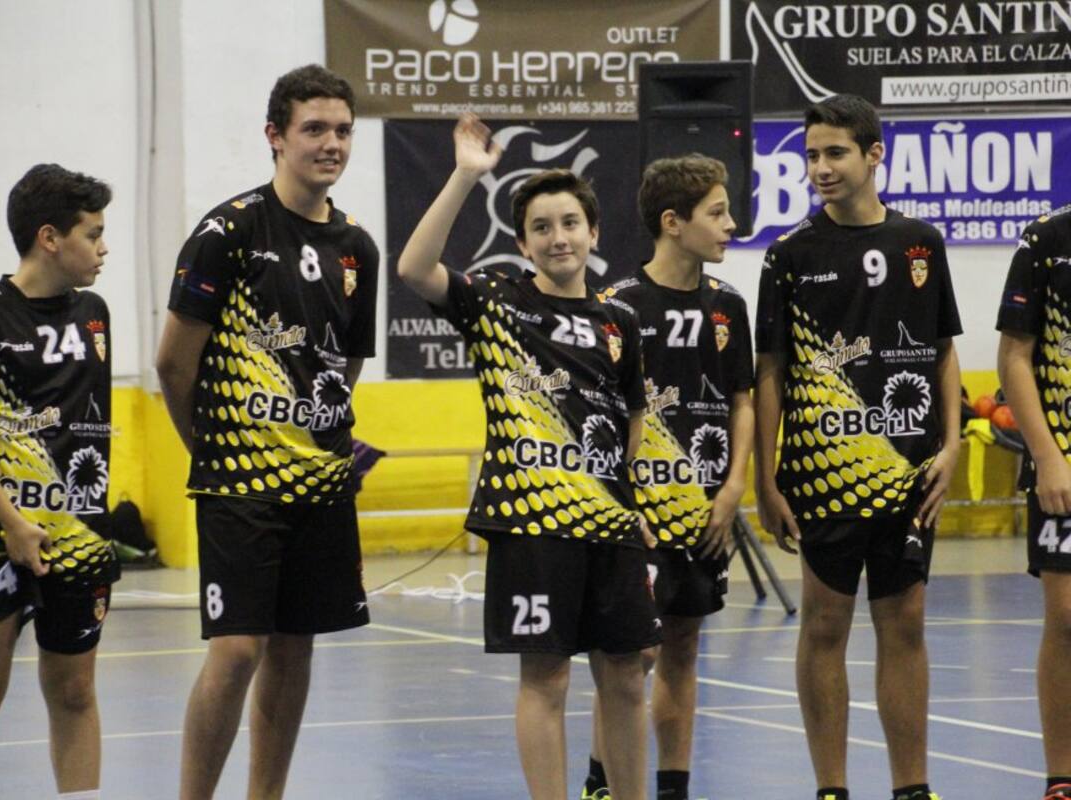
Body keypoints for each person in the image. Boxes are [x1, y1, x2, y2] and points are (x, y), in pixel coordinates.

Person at [397, 113, 659, 800]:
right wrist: (466, 174)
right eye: (541, 227)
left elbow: (632, 419)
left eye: (570, 223)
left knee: (627, 672)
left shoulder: (621, 322)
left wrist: (623, 499)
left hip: (609, 524)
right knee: (547, 678)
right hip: (533, 523)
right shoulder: (497, 302)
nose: (558, 237)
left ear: (594, 233)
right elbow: (414, 268)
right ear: (523, 243)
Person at [155, 64, 379, 800]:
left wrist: (313, 436)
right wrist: (213, 451)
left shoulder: (358, 247)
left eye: (342, 130)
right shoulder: (229, 232)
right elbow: (173, 363)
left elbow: (346, 363)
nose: (331, 143)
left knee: (294, 648)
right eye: (314, 129)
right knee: (236, 651)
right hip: (238, 483)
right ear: (275, 136)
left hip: (319, 478)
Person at [753, 94, 961, 800]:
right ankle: (832, 789)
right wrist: (767, 478)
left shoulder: (920, 242)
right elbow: (770, 372)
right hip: (823, 472)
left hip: (910, 472)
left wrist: (953, 444)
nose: (821, 167)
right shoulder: (789, 256)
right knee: (824, 625)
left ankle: (912, 788)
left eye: (835, 152)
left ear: (874, 154)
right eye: (811, 154)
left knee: (905, 622)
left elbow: (942, 350)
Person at [0, 163, 115, 800]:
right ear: (49, 238)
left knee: (75, 691)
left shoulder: (95, 314)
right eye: (93, 234)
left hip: (78, 536)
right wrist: (13, 522)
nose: (104, 248)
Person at [581, 155, 752, 800]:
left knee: (683, 645)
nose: (731, 225)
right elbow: (599, 414)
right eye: (718, 213)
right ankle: (602, 781)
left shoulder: (728, 305)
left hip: (705, 508)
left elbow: (742, 401)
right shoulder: (617, 306)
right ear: (673, 222)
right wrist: (623, 504)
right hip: (640, 515)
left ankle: (674, 787)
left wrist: (733, 488)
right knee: (633, 653)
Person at [996, 202, 1071, 800]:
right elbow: (1014, 356)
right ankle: (1062, 776)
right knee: (1066, 618)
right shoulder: (1046, 240)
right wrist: (1046, 456)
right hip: (1064, 463)